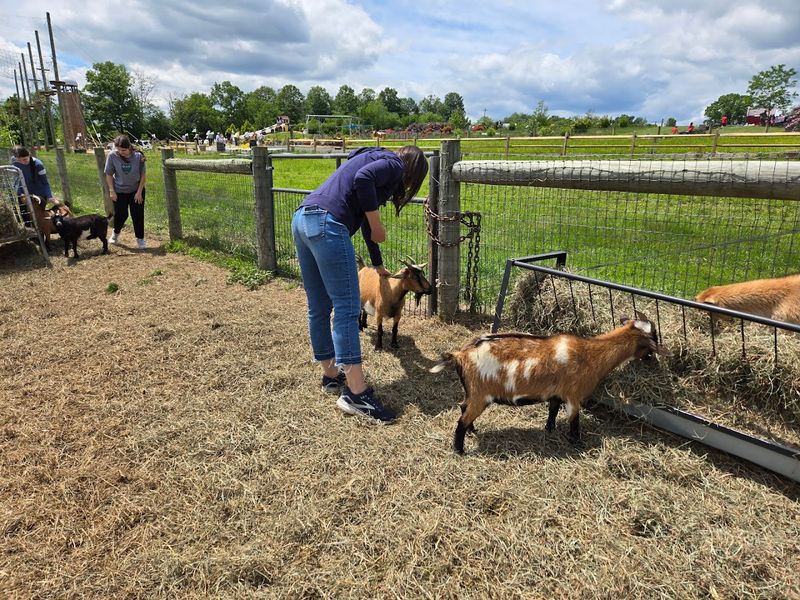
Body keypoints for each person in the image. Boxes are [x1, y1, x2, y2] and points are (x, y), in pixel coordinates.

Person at [291, 145, 428, 423]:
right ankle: (356, 394)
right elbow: (363, 181)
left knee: (319, 306)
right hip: (328, 223)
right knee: (347, 307)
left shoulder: (371, 157)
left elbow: (365, 219)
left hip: (303, 218)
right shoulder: (394, 164)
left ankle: (331, 376)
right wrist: (378, 225)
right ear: (412, 169)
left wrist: (377, 264)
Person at [104, 135, 147, 249]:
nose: (120, 152)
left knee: (137, 215)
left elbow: (143, 175)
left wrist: (139, 192)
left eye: (123, 150)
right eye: (118, 149)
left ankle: (140, 239)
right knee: (121, 215)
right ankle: (115, 233)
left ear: (129, 147)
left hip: (136, 190)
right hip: (119, 191)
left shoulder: (138, 156)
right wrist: (111, 190)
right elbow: (108, 174)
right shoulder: (112, 156)